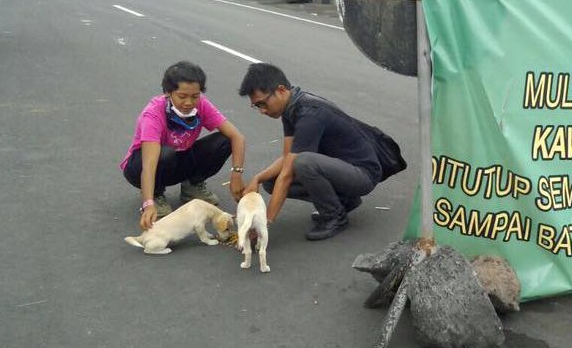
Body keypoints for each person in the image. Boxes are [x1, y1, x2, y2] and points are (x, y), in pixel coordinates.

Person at [238, 63, 382, 241]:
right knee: (271, 181)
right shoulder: (291, 109)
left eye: (262, 103)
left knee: (304, 163)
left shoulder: (309, 114)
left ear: (281, 90)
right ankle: (344, 201)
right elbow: (286, 157)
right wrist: (258, 178)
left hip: (362, 174)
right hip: (340, 168)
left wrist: (264, 224)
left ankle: (335, 217)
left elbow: (288, 173)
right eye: (256, 106)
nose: (261, 111)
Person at [121, 61, 246, 230]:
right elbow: (149, 165)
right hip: (142, 166)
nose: (189, 102)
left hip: (179, 159)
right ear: (168, 92)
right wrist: (148, 203)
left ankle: (192, 186)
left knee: (225, 140)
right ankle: (156, 194)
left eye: (195, 96)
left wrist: (236, 175)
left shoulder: (202, 104)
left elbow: (237, 137)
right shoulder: (153, 114)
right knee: (166, 154)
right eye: (182, 96)